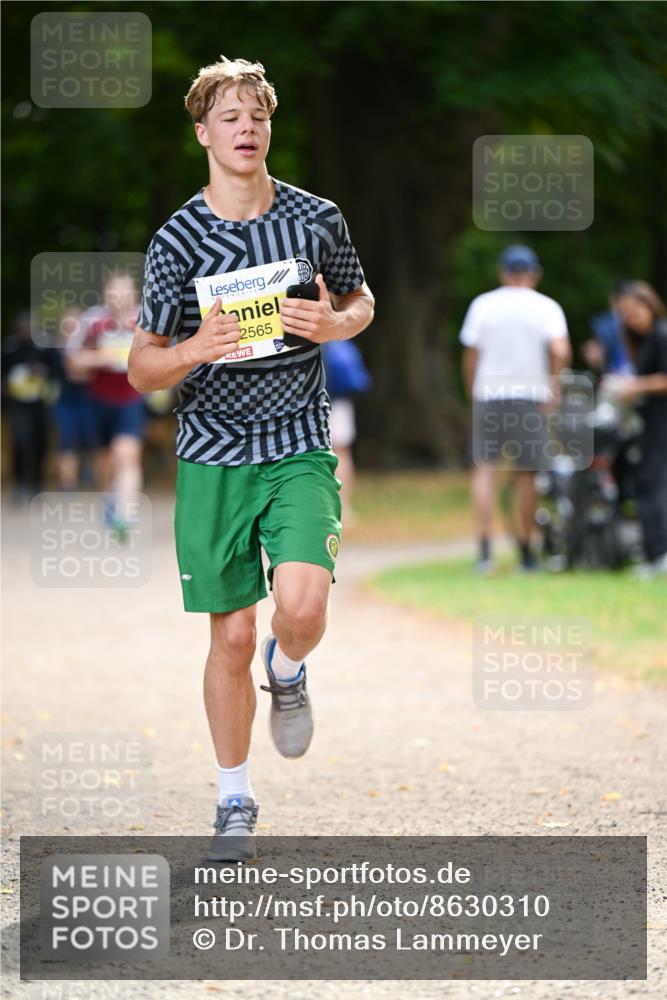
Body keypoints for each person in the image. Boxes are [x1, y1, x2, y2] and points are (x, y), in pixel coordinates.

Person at [127, 56, 374, 860]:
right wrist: (193, 348)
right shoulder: (178, 240)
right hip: (212, 453)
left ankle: (289, 667)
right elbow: (141, 368)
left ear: (269, 128)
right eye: (229, 118)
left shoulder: (314, 217)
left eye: (257, 117)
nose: (246, 129)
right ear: (203, 133)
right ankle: (233, 799)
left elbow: (360, 299)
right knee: (229, 637)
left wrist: (334, 324)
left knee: (301, 609)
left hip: (297, 441)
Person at [459, 245, 571, 572]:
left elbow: (471, 355)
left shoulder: (483, 304)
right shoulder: (546, 307)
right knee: (526, 474)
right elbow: (560, 350)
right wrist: (554, 387)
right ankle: (526, 552)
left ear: (503, 273)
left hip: (488, 394)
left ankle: (485, 552)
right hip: (529, 396)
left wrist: (473, 391)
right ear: (535, 273)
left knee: (484, 471)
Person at [71, 273, 146, 535]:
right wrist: (100, 359)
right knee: (106, 460)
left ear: (134, 294)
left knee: (127, 454)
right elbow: (73, 360)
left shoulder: (144, 320)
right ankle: (108, 499)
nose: (119, 297)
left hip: (131, 398)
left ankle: (125, 516)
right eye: (115, 291)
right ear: (106, 294)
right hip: (99, 400)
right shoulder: (92, 320)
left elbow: (160, 353)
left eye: (125, 291)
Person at [602, 281, 667, 576]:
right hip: (647, 422)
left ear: (650, 306)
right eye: (625, 314)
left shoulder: (662, 335)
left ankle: (660, 554)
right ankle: (653, 554)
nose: (631, 318)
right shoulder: (642, 341)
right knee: (641, 482)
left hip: (661, 422)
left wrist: (634, 386)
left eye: (635, 311)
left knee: (652, 483)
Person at [1, 311, 59, 502]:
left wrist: (46, 384)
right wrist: (6, 388)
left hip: (40, 404)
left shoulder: (46, 347)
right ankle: (19, 484)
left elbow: (57, 373)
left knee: (40, 443)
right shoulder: (9, 348)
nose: (26, 332)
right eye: (22, 329)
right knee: (19, 442)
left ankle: (38, 484)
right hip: (17, 405)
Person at [321, 338, 372, 522]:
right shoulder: (336, 336)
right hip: (338, 402)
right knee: (341, 452)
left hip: (310, 402)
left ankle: (324, 507)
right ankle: (343, 506)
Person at [52, 307, 96, 490]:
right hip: (66, 399)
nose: (71, 326)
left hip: (89, 399)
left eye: (75, 323)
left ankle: (86, 469)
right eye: (67, 322)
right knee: (66, 439)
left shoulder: (91, 347)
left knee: (89, 438)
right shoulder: (56, 350)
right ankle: (68, 483)